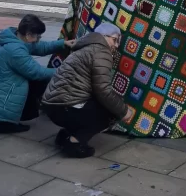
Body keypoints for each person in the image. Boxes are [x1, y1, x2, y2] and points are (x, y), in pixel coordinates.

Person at [42, 23, 128, 158]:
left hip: (52, 106)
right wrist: (123, 111)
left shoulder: (83, 47)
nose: (116, 45)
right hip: (64, 107)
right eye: (115, 39)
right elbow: (103, 90)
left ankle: (65, 135)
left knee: (96, 104)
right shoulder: (101, 52)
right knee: (109, 111)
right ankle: (74, 143)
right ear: (103, 36)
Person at [0, 14, 72, 133]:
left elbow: (39, 47)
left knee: (36, 83)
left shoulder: (16, 39)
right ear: (28, 35)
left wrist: (62, 44)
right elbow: (37, 72)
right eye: (38, 36)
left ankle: (9, 119)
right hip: (3, 94)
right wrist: (63, 71)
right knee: (41, 82)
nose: (39, 39)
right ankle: (7, 124)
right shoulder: (15, 51)